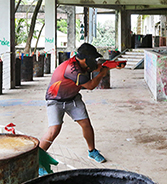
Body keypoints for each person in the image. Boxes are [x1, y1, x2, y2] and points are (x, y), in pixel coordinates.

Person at [39, 43, 124, 172]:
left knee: (86, 124)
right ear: (85, 59)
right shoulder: (72, 69)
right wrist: (103, 73)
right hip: (55, 100)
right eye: (92, 58)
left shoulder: (82, 63)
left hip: (73, 98)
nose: (94, 61)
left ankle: (92, 151)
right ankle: (37, 160)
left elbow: (97, 67)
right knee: (54, 130)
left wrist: (113, 65)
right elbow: (90, 85)